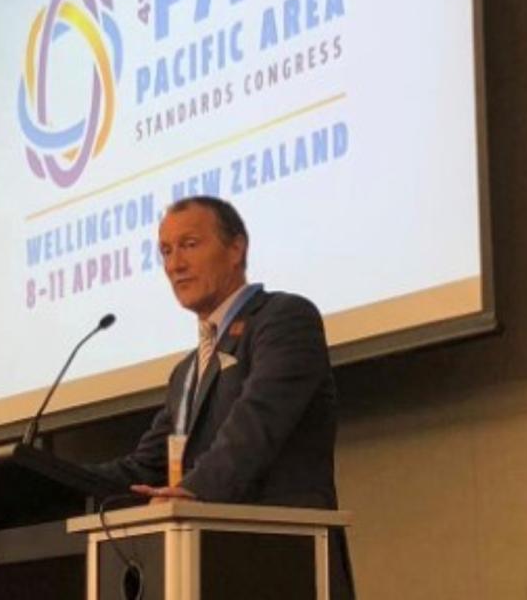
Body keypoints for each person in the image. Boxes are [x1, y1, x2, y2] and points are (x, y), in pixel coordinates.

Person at [91, 195, 354, 598]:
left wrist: (193, 491)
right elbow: (148, 465)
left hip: (286, 564)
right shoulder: (185, 372)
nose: (175, 264)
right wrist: (58, 483)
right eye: (166, 251)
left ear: (236, 249)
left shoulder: (284, 319)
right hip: (211, 572)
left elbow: (256, 425)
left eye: (189, 245)